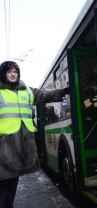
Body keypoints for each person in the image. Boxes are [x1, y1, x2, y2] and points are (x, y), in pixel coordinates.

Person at [0, 61, 68, 208]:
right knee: (3, 187)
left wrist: (63, 91)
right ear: (3, 74)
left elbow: (43, 95)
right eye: (9, 71)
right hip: (3, 146)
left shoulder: (26, 91)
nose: (13, 74)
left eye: (15, 71)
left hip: (19, 146)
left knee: (12, 184)